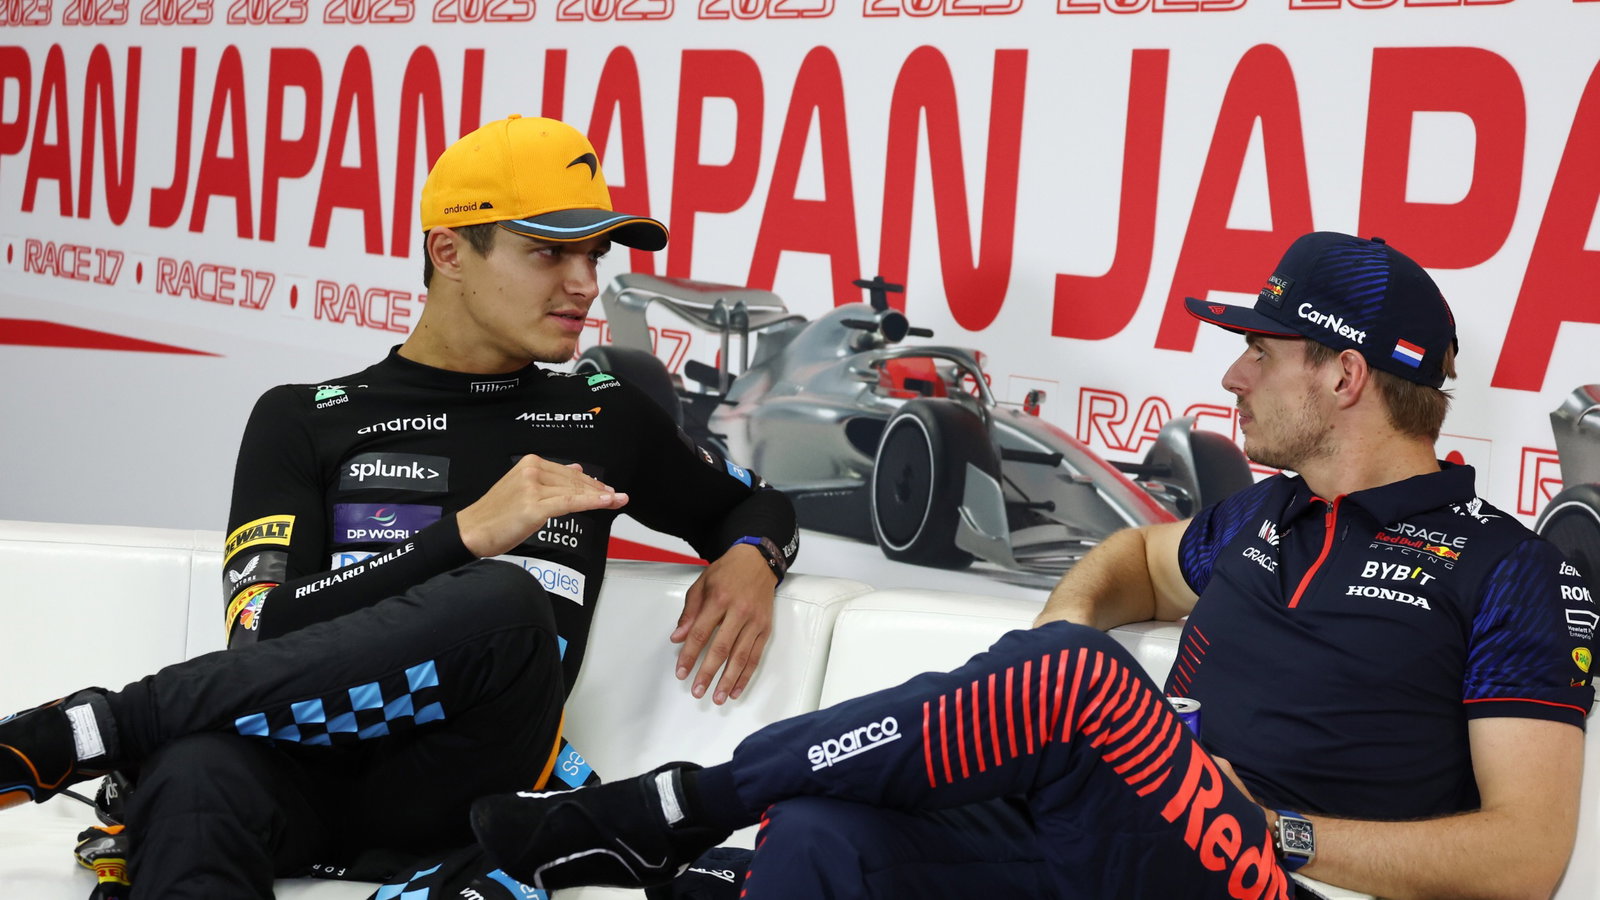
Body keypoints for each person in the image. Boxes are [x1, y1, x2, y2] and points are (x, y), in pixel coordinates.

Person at [466, 232, 1593, 900]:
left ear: (1345, 378)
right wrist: (1060, 631)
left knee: (1085, 684)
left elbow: (1527, 856)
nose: (1235, 374)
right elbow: (1136, 562)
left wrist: (1272, 830)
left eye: (1261, 349)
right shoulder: (1257, 519)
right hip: (1112, 838)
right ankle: (697, 821)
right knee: (821, 841)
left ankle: (672, 807)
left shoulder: (1502, 570)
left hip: (1257, 868)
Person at [0, 114, 799, 899]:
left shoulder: (605, 412)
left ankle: (85, 731)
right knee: (192, 772)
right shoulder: (303, 415)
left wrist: (750, 555)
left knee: (507, 602)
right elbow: (258, 632)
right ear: (448, 251)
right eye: (549, 252)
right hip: (298, 762)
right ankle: (115, 740)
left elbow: (756, 506)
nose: (586, 284)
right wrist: (463, 536)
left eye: (592, 254)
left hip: (473, 772)